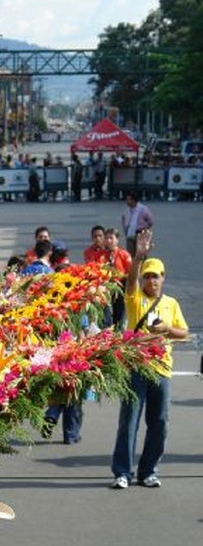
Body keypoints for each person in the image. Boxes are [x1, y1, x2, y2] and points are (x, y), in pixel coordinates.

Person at [110, 230, 188, 489]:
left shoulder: (172, 304)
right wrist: (139, 256)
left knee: (159, 423)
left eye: (156, 276)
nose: (151, 280)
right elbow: (129, 281)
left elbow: (184, 332)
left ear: (163, 278)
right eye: (148, 276)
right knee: (129, 422)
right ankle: (122, 472)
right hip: (135, 368)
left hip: (162, 371)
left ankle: (148, 471)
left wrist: (166, 329)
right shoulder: (135, 299)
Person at [104, 228, 132, 329]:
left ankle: (118, 334)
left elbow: (131, 273)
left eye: (111, 238)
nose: (108, 240)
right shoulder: (102, 255)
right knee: (106, 316)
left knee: (119, 315)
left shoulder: (124, 255)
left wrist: (120, 277)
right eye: (106, 238)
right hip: (105, 289)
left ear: (117, 240)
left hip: (120, 288)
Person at [121, 192, 154, 257]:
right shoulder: (127, 210)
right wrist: (125, 230)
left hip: (140, 233)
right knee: (129, 254)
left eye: (129, 200)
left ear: (134, 200)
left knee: (141, 253)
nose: (127, 201)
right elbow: (123, 220)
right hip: (130, 234)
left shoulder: (143, 209)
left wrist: (145, 230)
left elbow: (150, 221)